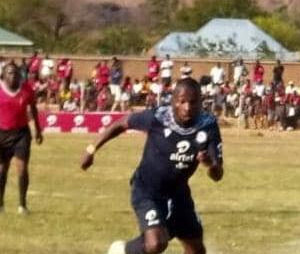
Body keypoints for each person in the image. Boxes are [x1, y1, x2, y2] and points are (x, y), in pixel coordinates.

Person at [80, 78, 223, 254]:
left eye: (193, 102)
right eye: (182, 101)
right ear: (173, 102)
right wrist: (91, 149)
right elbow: (121, 123)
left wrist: (209, 164)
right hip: (147, 190)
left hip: (179, 194)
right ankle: (121, 251)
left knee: (196, 250)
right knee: (156, 244)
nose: (187, 107)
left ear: (201, 102)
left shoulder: (208, 125)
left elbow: (218, 175)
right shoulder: (158, 117)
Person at [0, 62, 44, 214]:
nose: (13, 76)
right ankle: (0, 203)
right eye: (10, 73)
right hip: (3, 135)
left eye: (16, 73)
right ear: (4, 75)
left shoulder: (27, 89)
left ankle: (22, 205)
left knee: (22, 168)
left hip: (22, 134)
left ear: (20, 75)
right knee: (2, 169)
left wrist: (38, 130)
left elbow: (33, 110)